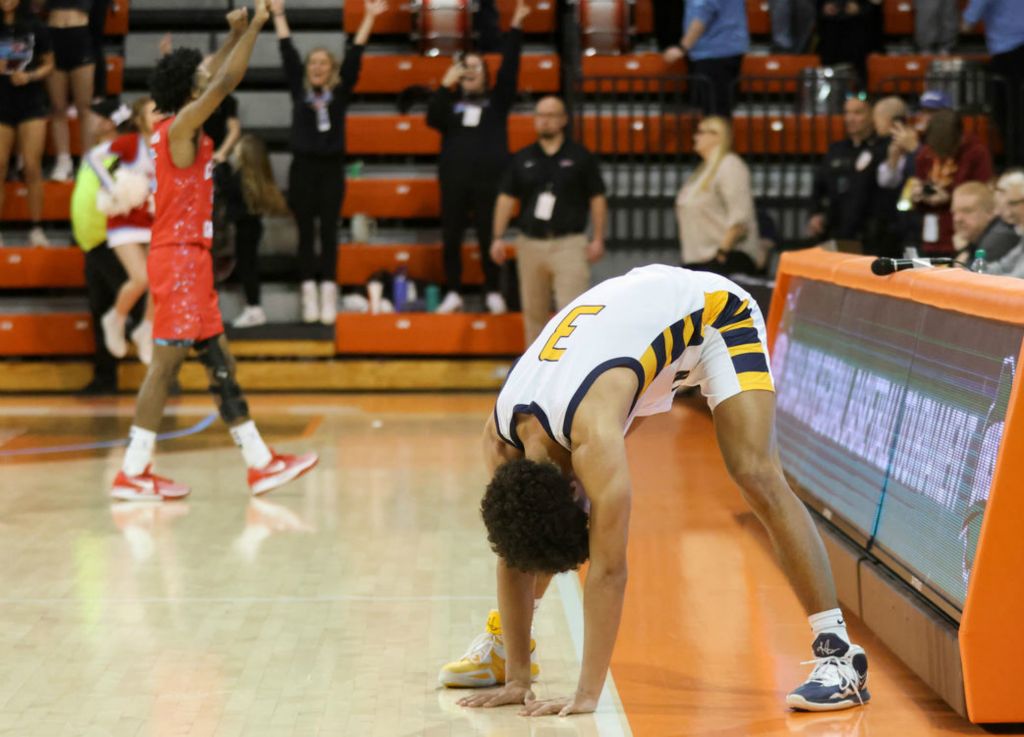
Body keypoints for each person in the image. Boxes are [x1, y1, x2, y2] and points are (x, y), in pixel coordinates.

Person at [438, 264, 870, 714]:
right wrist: (517, 679)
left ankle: (840, 656)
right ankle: (508, 646)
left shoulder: (595, 436)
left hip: (714, 315)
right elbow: (515, 551)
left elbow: (609, 572)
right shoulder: (500, 440)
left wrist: (588, 694)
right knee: (529, 530)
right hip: (633, 330)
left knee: (756, 472)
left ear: (575, 487)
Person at [111, 1, 318, 501]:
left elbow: (209, 74)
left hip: (191, 258)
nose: (206, 84)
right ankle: (133, 470)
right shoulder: (181, 128)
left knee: (219, 359)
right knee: (165, 364)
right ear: (188, 92)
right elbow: (222, 83)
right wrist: (260, 28)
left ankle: (260, 462)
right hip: (179, 257)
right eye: (197, 84)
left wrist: (236, 33)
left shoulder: (184, 124)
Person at [272, 0, 386, 325]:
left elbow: (356, 57)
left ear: (331, 68)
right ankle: (309, 294)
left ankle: (328, 294)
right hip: (303, 169)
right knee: (306, 233)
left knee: (330, 233)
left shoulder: (339, 93)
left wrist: (367, 18)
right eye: (313, 63)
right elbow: (287, 52)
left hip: (331, 170)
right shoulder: (299, 92)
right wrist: (279, 15)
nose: (317, 67)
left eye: (323, 63)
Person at [426, 0, 529, 316]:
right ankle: (454, 291)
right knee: (451, 237)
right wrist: (446, 82)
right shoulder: (450, 104)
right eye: (464, 67)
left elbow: (510, 70)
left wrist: (517, 26)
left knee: (490, 237)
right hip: (454, 180)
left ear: (485, 76)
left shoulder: (496, 103)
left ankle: (493, 290)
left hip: (491, 182)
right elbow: (432, 118)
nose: (470, 71)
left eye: (476, 67)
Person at [490, 96, 607, 346]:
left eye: (552, 115)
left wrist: (598, 237)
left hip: (569, 243)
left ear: (563, 120)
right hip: (530, 244)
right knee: (533, 312)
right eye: (540, 115)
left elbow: (597, 198)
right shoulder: (522, 158)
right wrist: (497, 237)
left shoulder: (580, 156)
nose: (545, 120)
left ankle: (575, 373)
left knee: (574, 313)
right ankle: (536, 376)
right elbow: (505, 198)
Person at [71, 97, 140, 394]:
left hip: (114, 243)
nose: (89, 120)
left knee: (136, 308)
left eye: (95, 115)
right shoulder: (94, 154)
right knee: (101, 311)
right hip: (93, 244)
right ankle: (105, 378)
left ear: (109, 122)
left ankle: (163, 376)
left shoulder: (122, 154)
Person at [86, 96, 160, 366]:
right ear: (140, 119)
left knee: (158, 280)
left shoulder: (167, 145)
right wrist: (112, 186)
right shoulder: (131, 143)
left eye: (162, 112)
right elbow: (94, 156)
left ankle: (146, 329)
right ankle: (115, 318)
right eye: (153, 112)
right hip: (125, 218)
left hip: (153, 219)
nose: (158, 116)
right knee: (140, 278)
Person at [675, 116, 765, 274]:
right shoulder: (703, 171)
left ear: (717, 136)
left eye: (701, 132)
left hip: (723, 260)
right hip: (698, 260)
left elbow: (740, 215)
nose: (695, 137)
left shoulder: (729, 165)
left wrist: (722, 253)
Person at [0, 0, 54, 247]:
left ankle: (37, 228)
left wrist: (29, 75)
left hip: (31, 101)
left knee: (32, 166)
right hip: (1, 103)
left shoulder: (36, 27)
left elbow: (49, 64)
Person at [911, 108, 993, 256]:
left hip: (961, 235)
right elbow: (918, 182)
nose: (940, 152)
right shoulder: (926, 154)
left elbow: (983, 195)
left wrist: (949, 198)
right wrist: (918, 195)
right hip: (930, 233)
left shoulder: (976, 153)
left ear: (959, 137)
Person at [228, 134, 290, 328]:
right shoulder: (254, 178)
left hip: (246, 229)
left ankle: (254, 308)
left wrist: (220, 166)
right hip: (252, 228)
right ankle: (253, 307)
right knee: (248, 266)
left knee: (247, 268)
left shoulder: (240, 178)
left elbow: (226, 191)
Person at [806, 94, 882, 246]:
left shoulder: (881, 148)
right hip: (834, 230)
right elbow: (819, 186)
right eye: (846, 113)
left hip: (869, 235)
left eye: (857, 113)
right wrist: (815, 213)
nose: (850, 118)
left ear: (871, 115)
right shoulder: (836, 149)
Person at [662, 0, 749, 116]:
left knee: (714, 112)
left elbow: (703, 14)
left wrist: (683, 47)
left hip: (714, 52)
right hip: (728, 47)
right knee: (721, 110)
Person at [963, 0, 1024, 165]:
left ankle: (1017, 168)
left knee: (1010, 116)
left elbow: (967, 24)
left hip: (1008, 56)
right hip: (1012, 54)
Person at [45, 0, 96, 181]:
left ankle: (87, 160)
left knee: (84, 107)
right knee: (58, 107)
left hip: (79, 34)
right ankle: (63, 159)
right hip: (53, 34)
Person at [951, 181, 1019, 267]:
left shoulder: (998, 238)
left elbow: (976, 276)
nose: (957, 219)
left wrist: (963, 255)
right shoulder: (980, 237)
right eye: (954, 212)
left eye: (967, 211)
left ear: (990, 212)